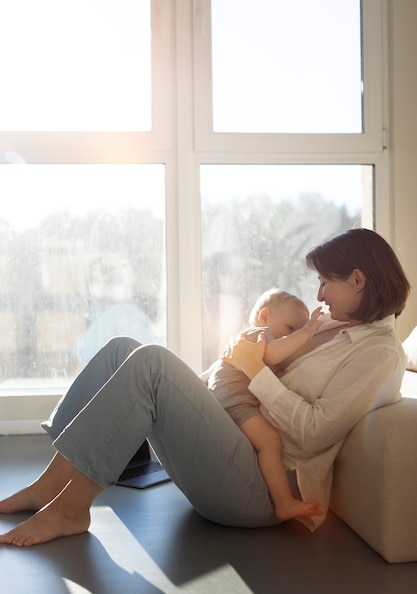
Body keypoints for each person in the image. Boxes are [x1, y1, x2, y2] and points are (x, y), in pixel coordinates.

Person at [0, 228, 410, 548]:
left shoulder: (380, 354)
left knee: (150, 362)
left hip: (261, 487)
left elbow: (315, 429)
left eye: (326, 282)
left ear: (358, 279)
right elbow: (255, 371)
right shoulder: (336, 326)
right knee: (121, 351)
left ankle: (72, 511)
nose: (319, 293)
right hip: (233, 442)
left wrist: (255, 370)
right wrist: (210, 384)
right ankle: (49, 486)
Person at [204, 288, 324, 521]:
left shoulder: (250, 337)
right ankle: (284, 502)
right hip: (235, 402)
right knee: (270, 441)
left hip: (231, 399)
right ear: (265, 317)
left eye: (298, 330)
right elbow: (271, 355)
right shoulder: (260, 335)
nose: (293, 337)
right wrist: (308, 331)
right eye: (291, 329)